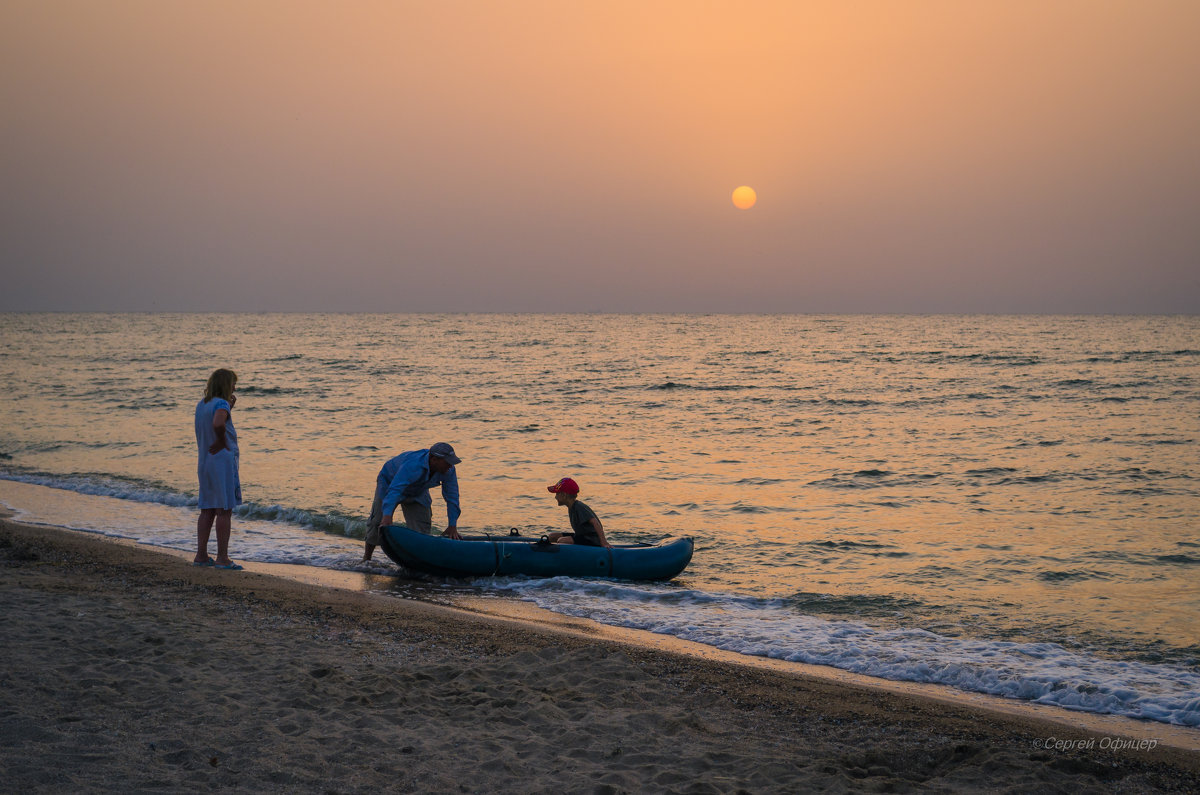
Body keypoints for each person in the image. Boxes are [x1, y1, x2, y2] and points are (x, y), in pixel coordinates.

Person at [362, 442, 463, 562]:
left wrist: (452, 525)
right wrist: (387, 515)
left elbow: (452, 497)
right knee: (378, 521)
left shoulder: (449, 470)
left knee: (422, 531)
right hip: (389, 484)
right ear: (434, 459)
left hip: (418, 490)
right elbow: (395, 490)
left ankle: (417, 562)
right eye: (447, 462)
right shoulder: (412, 465)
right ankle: (367, 559)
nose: (450, 466)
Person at [194, 368, 243, 570]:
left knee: (207, 509)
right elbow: (218, 423)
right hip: (221, 461)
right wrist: (223, 441)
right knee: (224, 510)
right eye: (232, 383)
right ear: (225, 385)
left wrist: (229, 407)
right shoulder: (221, 404)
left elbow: (212, 420)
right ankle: (222, 558)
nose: (235, 387)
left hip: (205, 461)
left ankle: (201, 555)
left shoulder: (202, 404)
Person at [546, 477, 610, 548]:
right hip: (581, 536)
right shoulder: (571, 506)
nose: (555, 497)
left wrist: (604, 542)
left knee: (562, 541)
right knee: (552, 536)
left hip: (591, 540)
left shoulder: (579, 507)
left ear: (564, 495)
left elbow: (596, 522)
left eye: (557, 494)